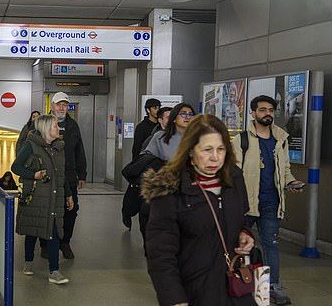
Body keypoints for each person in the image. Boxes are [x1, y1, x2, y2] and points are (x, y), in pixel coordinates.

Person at [142, 114, 255, 306]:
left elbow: (241, 216)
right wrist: (174, 298)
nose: (215, 157)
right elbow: (160, 254)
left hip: (236, 288)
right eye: (207, 150)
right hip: (195, 291)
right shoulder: (170, 189)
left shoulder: (234, 178)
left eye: (221, 149)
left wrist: (245, 233)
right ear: (190, 151)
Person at [232, 95, 304, 305]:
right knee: (236, 244)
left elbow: (286, 170)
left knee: (270, 244)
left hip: (271, 202)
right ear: (253, 113)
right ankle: (234, 283)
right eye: (262, 110)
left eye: (271, 110)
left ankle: (270, 287)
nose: (267, 114)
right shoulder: (242, 140)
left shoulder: (281, 138)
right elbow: (234, 172)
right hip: (245, 202)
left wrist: (290, 182)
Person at [11, 114, 74, 284]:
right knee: (33, 231)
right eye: (54, 126)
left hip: (54, 198)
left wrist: (68, 194)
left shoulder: (59, 148)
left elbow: (61, 176)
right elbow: (15, 167)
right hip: (36, 197)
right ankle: (28, 262)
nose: (58, 129)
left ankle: (54, 271)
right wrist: (34, 175)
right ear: (46, 129)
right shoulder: (30, 146)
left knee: (53, 233)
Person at [44, 91, 86, 260]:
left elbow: (79, 150)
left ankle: (65, 242)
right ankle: (45, 244)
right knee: (47, 210)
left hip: (68, 176)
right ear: (52, 106)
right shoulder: (43, 123)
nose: (62, 107)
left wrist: (82, 174)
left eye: (65, 105)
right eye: (59, 104)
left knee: (71, 210)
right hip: (48, 176)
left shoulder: (73, 125)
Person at [121, 106, 171, 232]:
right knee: (146, 211)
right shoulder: (153, 136)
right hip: (151, 179)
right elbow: (140, 152)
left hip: (168, 184)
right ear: (160, 120)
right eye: (169, 117)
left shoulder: (180, 137)